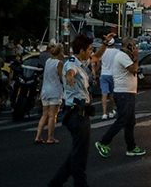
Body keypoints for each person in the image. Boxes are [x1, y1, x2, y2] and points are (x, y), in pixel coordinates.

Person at [47, 33, 112, 187]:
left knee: (78, 151)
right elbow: (70, 72)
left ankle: (56, 182)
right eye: (89, 49)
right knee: (80, 154)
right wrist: (69, 77)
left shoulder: (81, 61)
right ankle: (80, 183)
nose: (91, 51)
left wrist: (105, 43)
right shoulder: (71, 64)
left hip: (80, 112)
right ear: (82, 50)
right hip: (76, 114)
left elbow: (96, 57)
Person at [94, 37, 144, 158]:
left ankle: (131, 147)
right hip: (123, 93)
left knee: (130, 122)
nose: (136, 48)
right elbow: (133, 69)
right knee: (122, 120)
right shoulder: (122, 56)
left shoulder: (126, 56)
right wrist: (136, 57)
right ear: (129, 46)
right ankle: (103, 142)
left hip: (129, 92)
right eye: (134, 46)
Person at [36, 43, 66, 144]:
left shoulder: (48, 61)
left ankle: (38, 136)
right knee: (53, 115)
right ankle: (50, 137)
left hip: (45, 90)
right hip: (54, 90)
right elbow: (61, 77)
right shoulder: (59, 63)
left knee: (44, 115)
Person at [97, 36, 118, 120]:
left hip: (104, 74)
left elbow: (98, 63)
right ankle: (111, 111)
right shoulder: (117, 52)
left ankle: (104, 113)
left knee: (104, 95)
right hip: (113, 75)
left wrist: (96, 73)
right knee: (112, 95)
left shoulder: (102, 51)